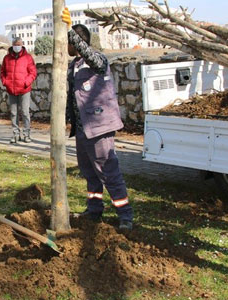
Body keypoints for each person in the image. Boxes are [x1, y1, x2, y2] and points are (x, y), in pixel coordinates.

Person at [61, 8, 133, 230]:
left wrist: (68, 30)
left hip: (99, 127)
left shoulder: (98, 59)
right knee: (90, 173)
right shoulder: (74, 66)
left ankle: (125, 215)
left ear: (76, 42)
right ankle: (94, 211)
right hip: (83, 129)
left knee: (108, 172)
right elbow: (72, 95)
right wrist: (67, 118)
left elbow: (88, 53)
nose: (67, 47)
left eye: (69, 43)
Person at [1, 37, 37, 143]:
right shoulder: (7, 58)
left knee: (25, 112)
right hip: (11, 89)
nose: (17, 46)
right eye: (15, 44)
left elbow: (33, 72)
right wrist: (5, 82)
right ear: (12, 45)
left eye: (19, 44)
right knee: (13, 113)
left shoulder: (28, 58)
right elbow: (2, 72)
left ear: (22, 45)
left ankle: (27, 135)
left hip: (24, 89)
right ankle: (16, 134)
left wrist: (26, 82)